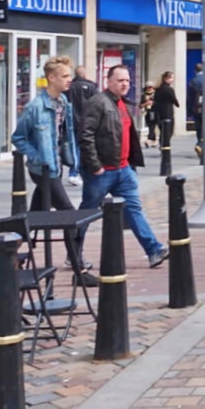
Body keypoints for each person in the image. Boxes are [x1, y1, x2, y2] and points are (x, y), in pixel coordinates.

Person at [10, 55, 95, 284]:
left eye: (69, 75)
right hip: (43, 170)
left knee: (34, 216)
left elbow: (63, 134)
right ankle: (79, 271)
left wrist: (69, 157)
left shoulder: (63, 103)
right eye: (65, 76)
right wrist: (38, 157)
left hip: (55, 167)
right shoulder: (35, 107)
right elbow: (18, 137)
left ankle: (10, 254)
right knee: (69, 214)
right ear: (51, 78)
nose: (70, 80)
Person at [79, 64, 168, 268]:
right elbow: (86, 135)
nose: (125, 84)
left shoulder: (124, 104)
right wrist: (95, 165)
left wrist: (129, 163)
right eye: (120, 80)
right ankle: (74, 253)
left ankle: (154, 250)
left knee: (134, 209)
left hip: (123, 170)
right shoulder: (98, 103)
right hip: (102, 172)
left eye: (127, 80)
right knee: (87, 212)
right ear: (108, 82)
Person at [66, 66, 100, 185]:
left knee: (74, 147)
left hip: (72, 122)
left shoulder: (69, 87)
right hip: (87, 121)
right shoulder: (91, 86)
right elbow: (97, 103)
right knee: (83, 147)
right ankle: (75, 172)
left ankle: (75, 171)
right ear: (85, 74)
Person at [151, 72, 179, 154]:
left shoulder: (158, 89)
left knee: (162, 130)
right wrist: (177, 104)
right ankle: (165, 146)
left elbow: (155, 100)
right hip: (168, 112)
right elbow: (174, 99)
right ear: (166, 78)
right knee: (169, 131)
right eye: (171, 78)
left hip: (159, 112)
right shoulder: (169, 89)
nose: (173, 80)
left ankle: (162, 145)